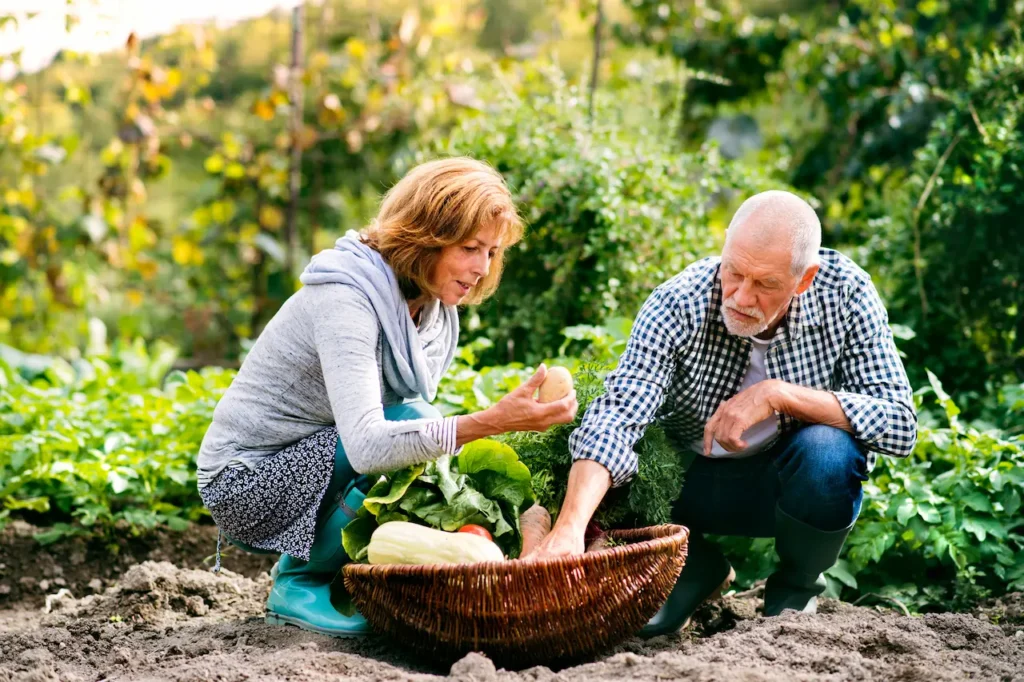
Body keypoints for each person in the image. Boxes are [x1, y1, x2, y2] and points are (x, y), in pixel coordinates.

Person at [196, 157, 578, 637]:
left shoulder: (433, 310)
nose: (482, 268)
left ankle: (337, 573)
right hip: (248, 483)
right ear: (426, 238)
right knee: (416, 421)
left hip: (317, 462)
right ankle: (297, 579)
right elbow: (370, 446)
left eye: (492, 252)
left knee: (424, 434)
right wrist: (491, 421)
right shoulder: (346, 296)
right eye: (470, 248)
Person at [526, 190, 916, 634]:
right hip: (684, 487)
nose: (741, 297)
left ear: (803, 279)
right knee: (610, 480)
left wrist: (777, 394)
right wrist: (569, 529)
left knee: (829, 450)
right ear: (726, 245)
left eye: (765, 284)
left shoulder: (844, 292)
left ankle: (796, 587)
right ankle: (694, 566)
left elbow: (899, 422)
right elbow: (617, 416)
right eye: (734, 272)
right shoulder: (679, 302)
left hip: (783, 487)